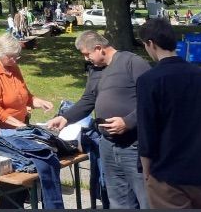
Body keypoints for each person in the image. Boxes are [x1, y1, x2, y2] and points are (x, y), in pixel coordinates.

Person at [47, 30, 150, 209]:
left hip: (134, 145)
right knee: (118, 201)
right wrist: (65, 117)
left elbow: (152, 100)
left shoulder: (132, 62)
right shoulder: (96, 70)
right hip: (108, 146)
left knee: (146, 199)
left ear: (99, 48)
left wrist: (128, 122)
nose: (87, 59)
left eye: (87, 54)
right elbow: (88, 100)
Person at [135, 17, 201, 208]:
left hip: (167, 175)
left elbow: (147, 130)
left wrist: (146, 170)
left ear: (150, 43)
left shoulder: (149, 80)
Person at [0, 33, 52, 136]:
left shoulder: (13, 66)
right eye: (11, 57)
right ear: (0, 53)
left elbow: (24, 94)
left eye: (16, 56)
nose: (14, 60)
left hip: (20, 125)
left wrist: (40, 102)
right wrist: (18, 124)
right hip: (2, 131)